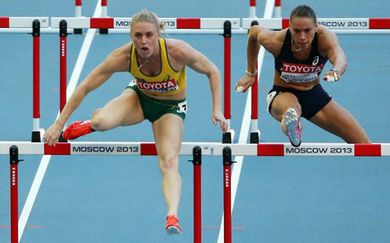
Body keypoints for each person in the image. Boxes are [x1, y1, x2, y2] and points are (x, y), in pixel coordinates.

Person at [43, 9, 228, 235]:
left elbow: (213, 71)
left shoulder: (177, 51)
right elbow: (86, 86)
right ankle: (89, 123)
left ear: (159, 33)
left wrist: (217, 109)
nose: (144, 41)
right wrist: (58, 124)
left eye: (149, 35)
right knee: (101, 121)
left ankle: (172, 215)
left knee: (169, 160)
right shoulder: (123, 56)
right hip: (138, 99)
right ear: (131, 36)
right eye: (138, 36)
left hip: (169, 110)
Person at [236, 4, 370, 146]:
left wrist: (336, 70)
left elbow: (340, 57)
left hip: (314, 95)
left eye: (307, 31)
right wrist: (250, 73)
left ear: (316, 27)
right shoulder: (277, 41)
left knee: (363, 143)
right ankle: (292, 125)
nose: (302, 37)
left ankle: (292, 123)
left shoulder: (324, 38)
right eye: (297, 31)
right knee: (291, 111)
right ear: (289, 27)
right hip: (283, 93)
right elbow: (254, 32)